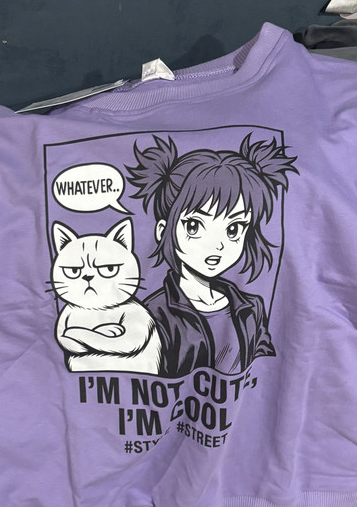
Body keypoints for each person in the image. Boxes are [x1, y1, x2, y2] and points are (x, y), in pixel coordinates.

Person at [125, 133, 297, 376]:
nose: (217, 245)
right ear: (164, 230)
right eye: (194, 226)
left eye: (233, 229)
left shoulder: (251, 308)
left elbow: (266, 375)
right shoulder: (153, 314)